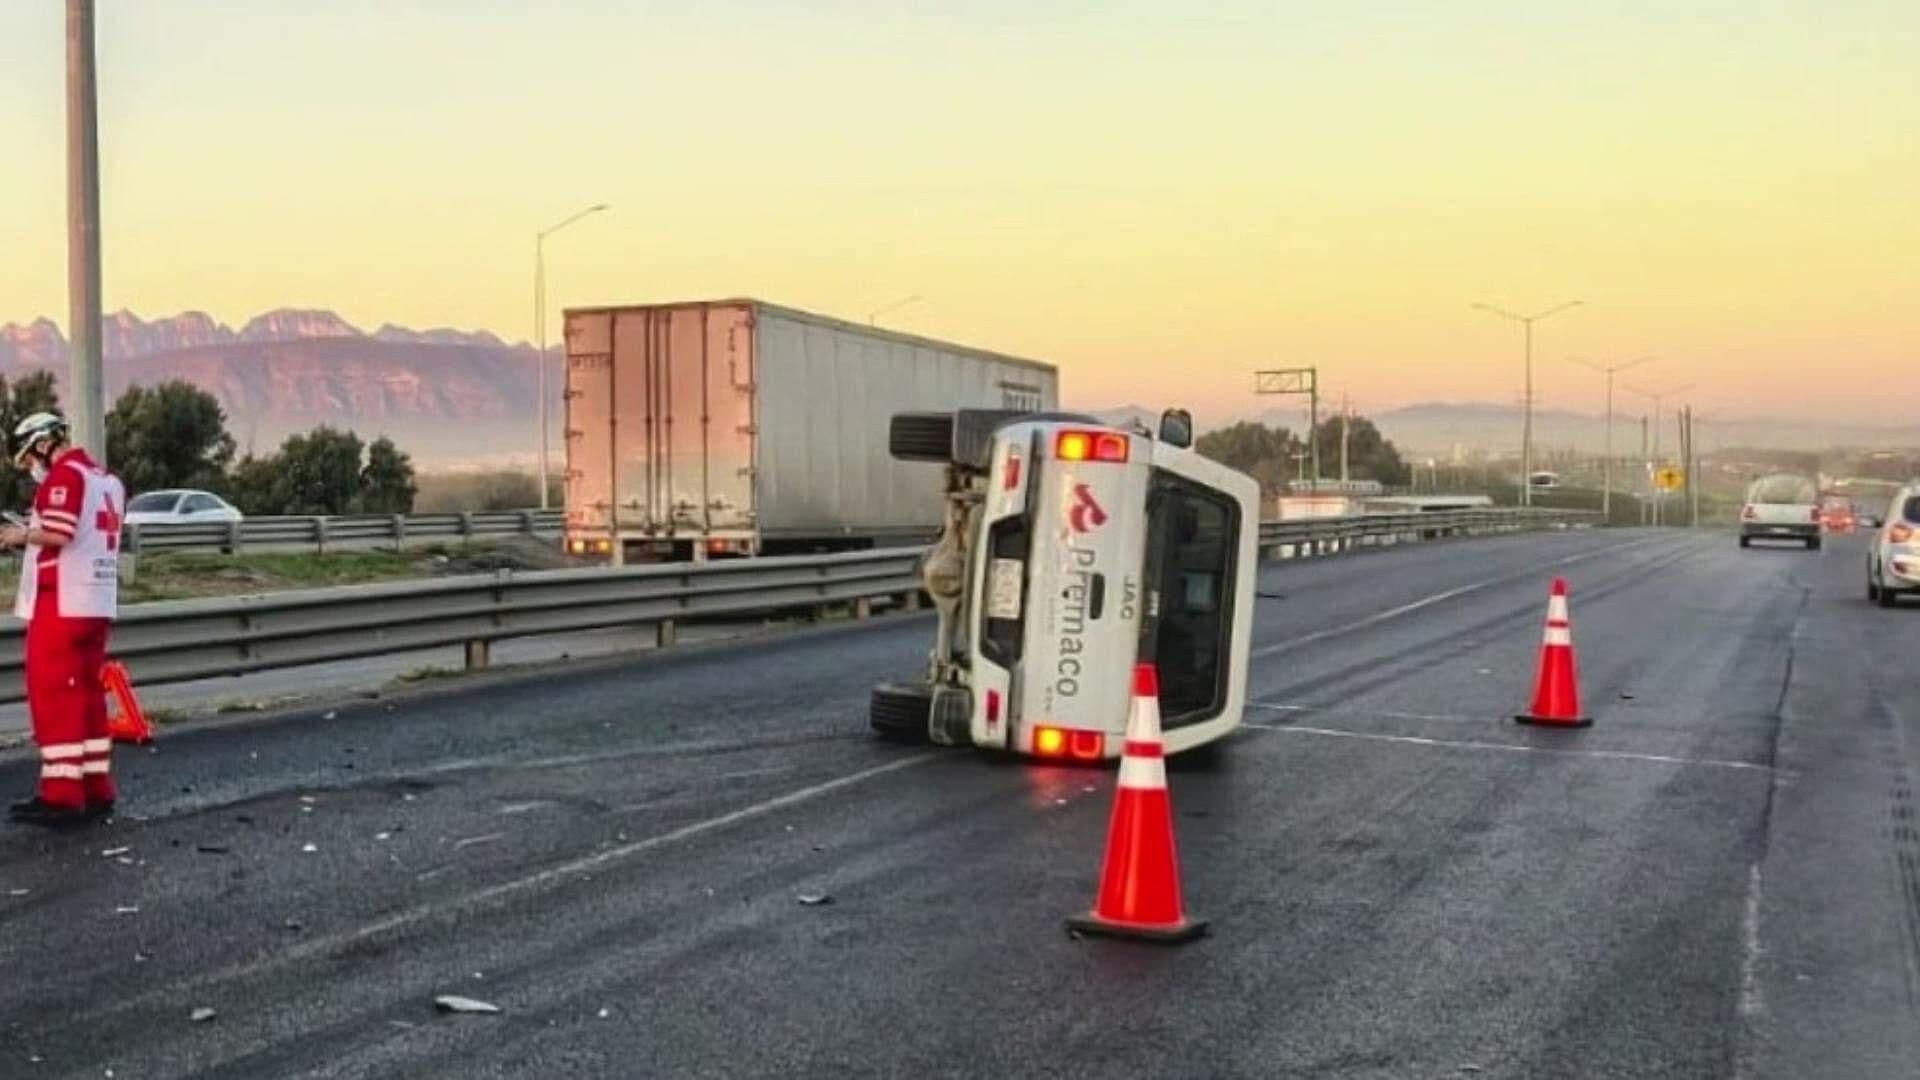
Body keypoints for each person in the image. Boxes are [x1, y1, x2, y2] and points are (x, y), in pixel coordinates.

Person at [2, 412, 125, 827]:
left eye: (28, 457)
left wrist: (17, 536)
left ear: (40, 444)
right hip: (98, 601)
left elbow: (58, 534)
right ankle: (95, 786)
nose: (31, 467)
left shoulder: (65, 476)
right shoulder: (107, 480)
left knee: (54, 696)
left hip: (62, 602)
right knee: (87, 694)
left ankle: (62, 795)